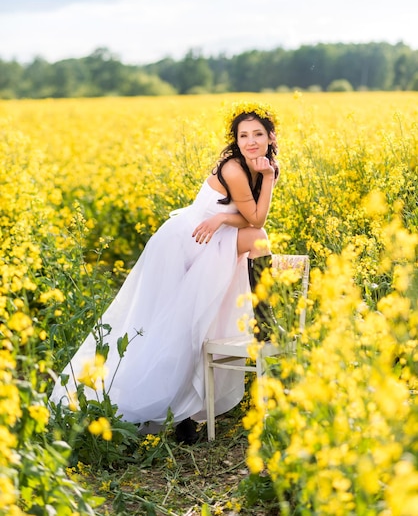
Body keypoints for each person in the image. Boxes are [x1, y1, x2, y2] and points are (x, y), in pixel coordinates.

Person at [50, 102, 279, 444]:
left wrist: (222, 217)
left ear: (270, 137)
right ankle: (161, 411)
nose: (250, 141)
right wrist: (262, 184)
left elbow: (251, 221)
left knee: (205, 313)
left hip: (212, 239)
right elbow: (257, 219)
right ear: (234, 140)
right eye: (243, 135)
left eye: (257, 134)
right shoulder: (235, 168)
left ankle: (262, 324)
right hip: (182, 244)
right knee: (172, 329)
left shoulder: (264, 165)